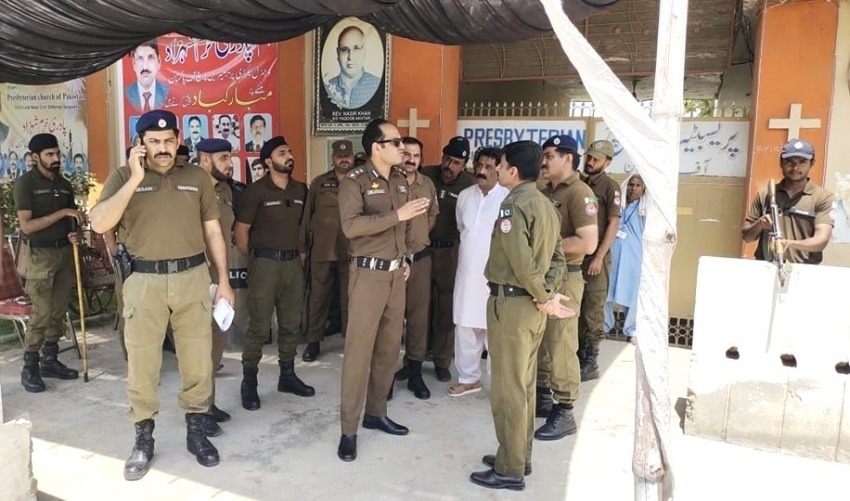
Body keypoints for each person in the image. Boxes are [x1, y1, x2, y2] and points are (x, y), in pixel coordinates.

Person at [90, 110, 235, 480]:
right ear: (141, 144)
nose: (163, 148)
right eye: (154, 142)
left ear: (178, 140)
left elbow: (214, 232)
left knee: (198, 361)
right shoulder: (124, 177)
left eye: (169, 140)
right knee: (142, 365)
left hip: (191, 277)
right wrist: (135, 178)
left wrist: (224, 281)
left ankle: (196, 432)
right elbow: (100, 222)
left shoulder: (197, 177)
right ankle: (143, 437)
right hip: (144, 281)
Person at [470, 140, 569, 491]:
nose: (495, 170)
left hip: (512, 306)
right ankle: (518, 455)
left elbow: (520, 261)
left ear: (512, 171)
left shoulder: (513, 205)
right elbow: (558, 259)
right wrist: (548, 295)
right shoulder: (545, 204)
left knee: (508, 390)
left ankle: (509, 468)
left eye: (500, 165)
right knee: (524, 386)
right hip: (531, 308)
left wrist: (544, 296)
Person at [336, 118, 430, 462]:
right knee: (359, 354)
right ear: (376, 147)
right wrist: (397, 214)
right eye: (394, 142)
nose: (401, 147)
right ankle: (349, 429)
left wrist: (404, 256)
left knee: (389, 350)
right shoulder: (355, 182)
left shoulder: (401, 182)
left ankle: (376, 413)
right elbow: (351, 227)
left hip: (395, 277)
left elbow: (406, 228)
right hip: (367, 277)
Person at [234, 135, 314, 411]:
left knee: (291, 323)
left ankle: (287, 375)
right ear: (268, 161)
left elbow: (304, 228)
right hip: (265, 265)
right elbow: (241, 232)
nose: (289, 156)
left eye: (289, 151)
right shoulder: (255, 192)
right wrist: (258, 258)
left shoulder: (301, 190)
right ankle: (250, 382)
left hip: (293, 265)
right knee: (258, 326)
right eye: (282, 152)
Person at [534, 134, 598, 439]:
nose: (544, 161)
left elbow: (587, 243)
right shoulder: (543, 188)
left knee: (561, 342)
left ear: (567, 158)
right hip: (543, 276)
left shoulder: (579, 193)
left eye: (549, 155)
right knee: (543, 340)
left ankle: (565, 409)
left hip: (566, 277)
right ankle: (543, 396)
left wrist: (546, 246)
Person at [14, 133, 82, 393]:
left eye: (57, 154)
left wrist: (73, 229)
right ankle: (30, 366)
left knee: (58, 311)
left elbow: (71, 218)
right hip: (39, 256)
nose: (55, 159)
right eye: (49, 155)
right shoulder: (26, 183)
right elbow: (27, 227)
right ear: (35, 157)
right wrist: (63, 213)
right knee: (41, 313)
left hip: (64, 253)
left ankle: (50, 360)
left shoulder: (64, 184)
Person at [449, 147, 508, 397]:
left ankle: (500, 387)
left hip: (496, 275)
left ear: (499, 170)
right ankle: (469, 378)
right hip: (467, 272)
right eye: (479, 165)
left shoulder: (508, 197)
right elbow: (462, 226)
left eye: (488, 167)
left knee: (495, 331)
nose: (481, 171)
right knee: (464, 326)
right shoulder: (464, 196)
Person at [420, 136, 475, 382]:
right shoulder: (426, 175)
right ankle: (415, 358)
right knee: (419, 305)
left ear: (464, 166)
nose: (449, 166)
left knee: (446, 306)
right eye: (447, 159)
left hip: (450, 252)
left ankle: (442, 360)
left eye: (456, 163)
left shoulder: (469, 185)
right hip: (422, 249)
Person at [195, 138, 238, 424]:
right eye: (223, 158)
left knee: (215, 344)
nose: (230, 163)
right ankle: (198, 410)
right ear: (205, 159)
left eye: (229, 157)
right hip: (197, 277)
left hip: (221, 277)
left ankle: (208, 404)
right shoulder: (189, 189)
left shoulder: (223, 190)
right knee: (197, 348)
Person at [393, 136, 439, 400]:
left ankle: (414, 371)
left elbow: (431, 217)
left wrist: (416, 242)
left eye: (416, 155)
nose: (411, 160)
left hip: (420, 260)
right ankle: (385, 374)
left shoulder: (427, 184)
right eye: (406, 154)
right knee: (390, 319)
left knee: (418, 318)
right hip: (392, 261)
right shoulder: (388, 183)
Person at [300, 140, 354, 362]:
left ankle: (351, 344)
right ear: (333, 158)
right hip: (322, 251)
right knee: (318, 299)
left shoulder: (361, 182)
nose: (343, 159)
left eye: (347, 156)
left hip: (352, 252)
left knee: (351, 300)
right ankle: (313, 342)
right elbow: (306, 217)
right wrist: (303, 249)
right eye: (339, 156)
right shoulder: (319, 184)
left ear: (352, 157)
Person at [742, 138, 836, 264]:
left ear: (812, 163)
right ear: (781, 163)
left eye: (802, 162)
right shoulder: (766, 194)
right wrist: (760, 224)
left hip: (804, 270)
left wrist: (789, 244)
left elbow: (821, 241)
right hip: (766, 267)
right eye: (789, 162)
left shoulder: (823, 197)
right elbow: (747, 237)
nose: (795, 167)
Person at [577, 140, 621, 382]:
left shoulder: (610, 187)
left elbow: (613, 223)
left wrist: (599, 256)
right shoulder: (580, 184)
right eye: (589, 157)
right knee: (576, 307)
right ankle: (576, 355)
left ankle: (590, 360)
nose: (590, 162)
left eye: (595, 158)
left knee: (592, 309)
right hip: (578, 255)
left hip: (596, 258)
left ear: (608, 162)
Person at [605, 173, 646, 342]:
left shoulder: (645, 207)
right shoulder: (618, 205)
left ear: (643, 189)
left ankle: (631, 330)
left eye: (637, 185)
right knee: (606, 290)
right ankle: (604, 326)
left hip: (633, 256)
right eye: (630, 185)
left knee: (632, 293)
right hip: (613, 252)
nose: (633, 189)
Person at [325, 26, 381, 109]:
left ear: (364, 52)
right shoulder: (329, 86)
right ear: (338, 53)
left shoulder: (376, 84)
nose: (350, 57)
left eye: (356, 48)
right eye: (345, 50)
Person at [124, 41, 170, 112]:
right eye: (140, 58)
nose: (145, 67)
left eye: (150, 58)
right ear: (133, 64)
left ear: (159, 62)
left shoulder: (167, 92)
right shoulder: (126, 94)